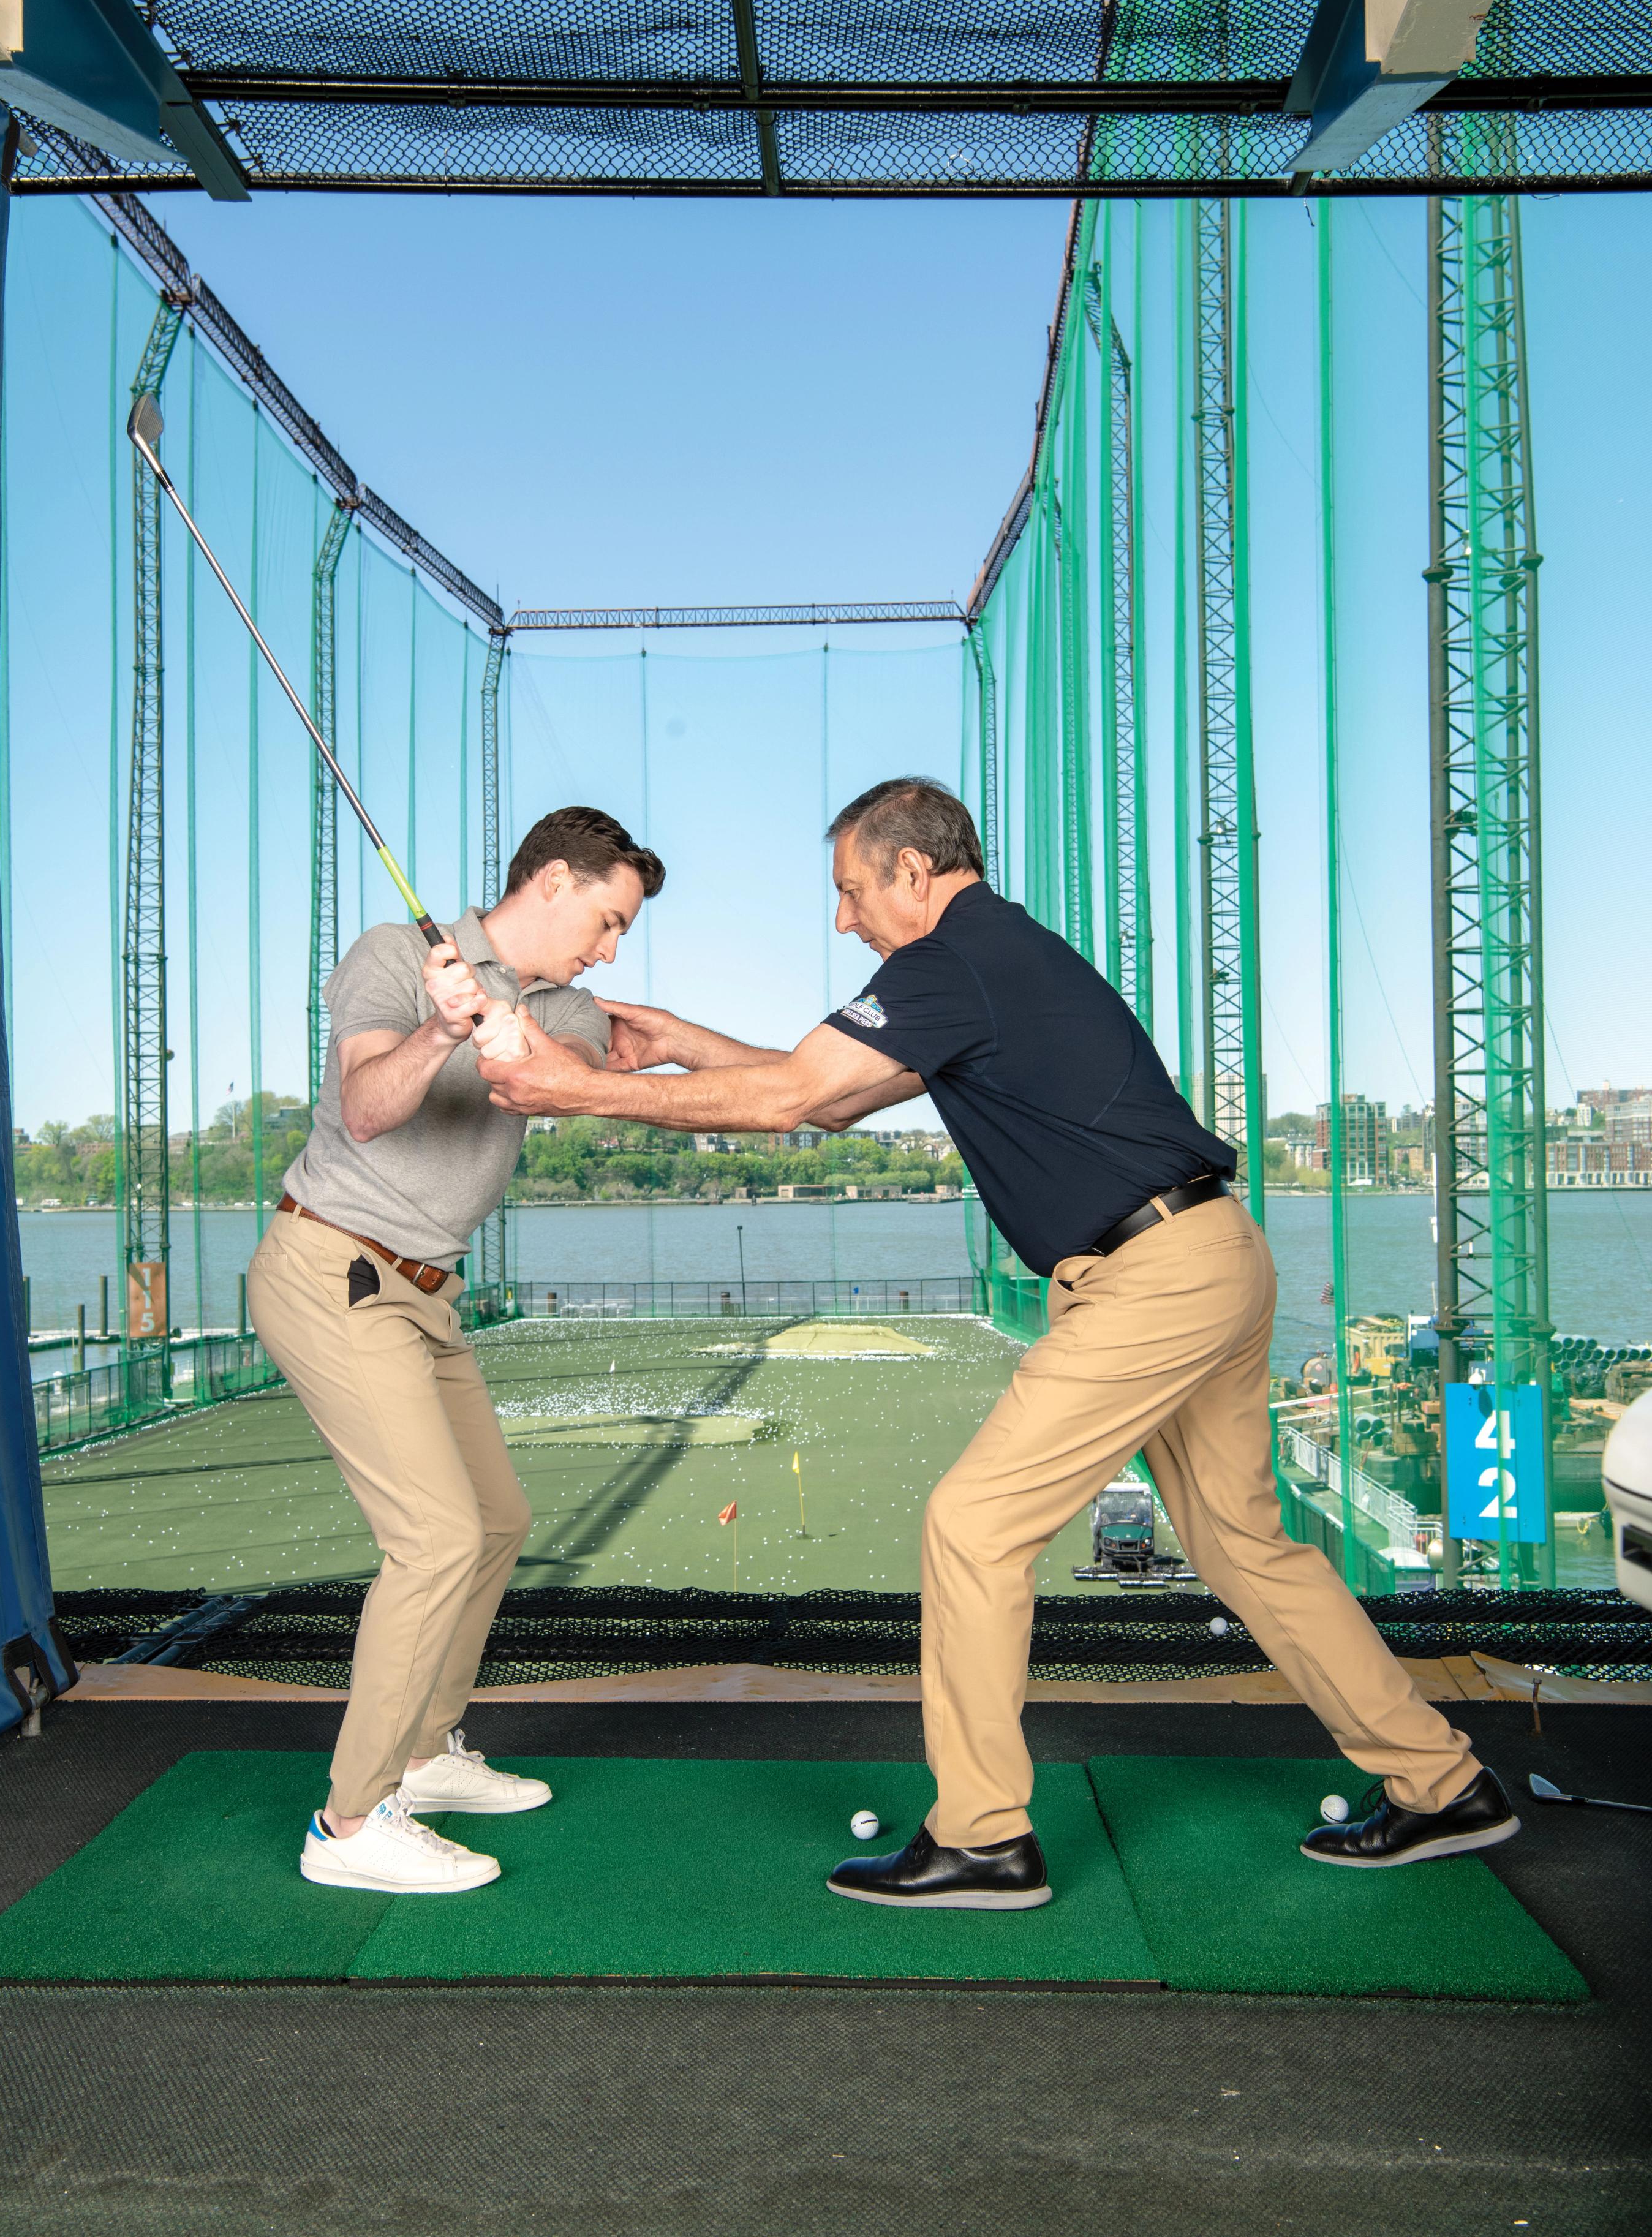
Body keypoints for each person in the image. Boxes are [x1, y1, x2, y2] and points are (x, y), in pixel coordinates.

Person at [473, 776, 1517, 1909]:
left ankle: (980, 1838)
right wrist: (678, 1043)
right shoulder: (991, 958)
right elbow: (828, 1100)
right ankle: (1441, 1783)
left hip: (1150, 1281)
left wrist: (574, 1092)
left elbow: (786, 1102)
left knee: (973, 1530)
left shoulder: (950, 962)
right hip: (1208, 1256)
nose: (844, 920)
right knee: (1245, 1547)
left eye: (851, 890)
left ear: (913, 872)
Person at [247, 805, 664, 1896]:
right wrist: (440, 1029)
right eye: (609, 919)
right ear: (557, 884)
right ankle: (347, 1827)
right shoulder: (393, 957)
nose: (609, 947)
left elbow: (558, 1069)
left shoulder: (562, 998)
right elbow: (367, 1108)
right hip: (334, 1267)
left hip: (426, 1294)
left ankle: (427, 1755)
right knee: (433, 1539)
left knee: (494, 1522)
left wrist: (512, 1029)